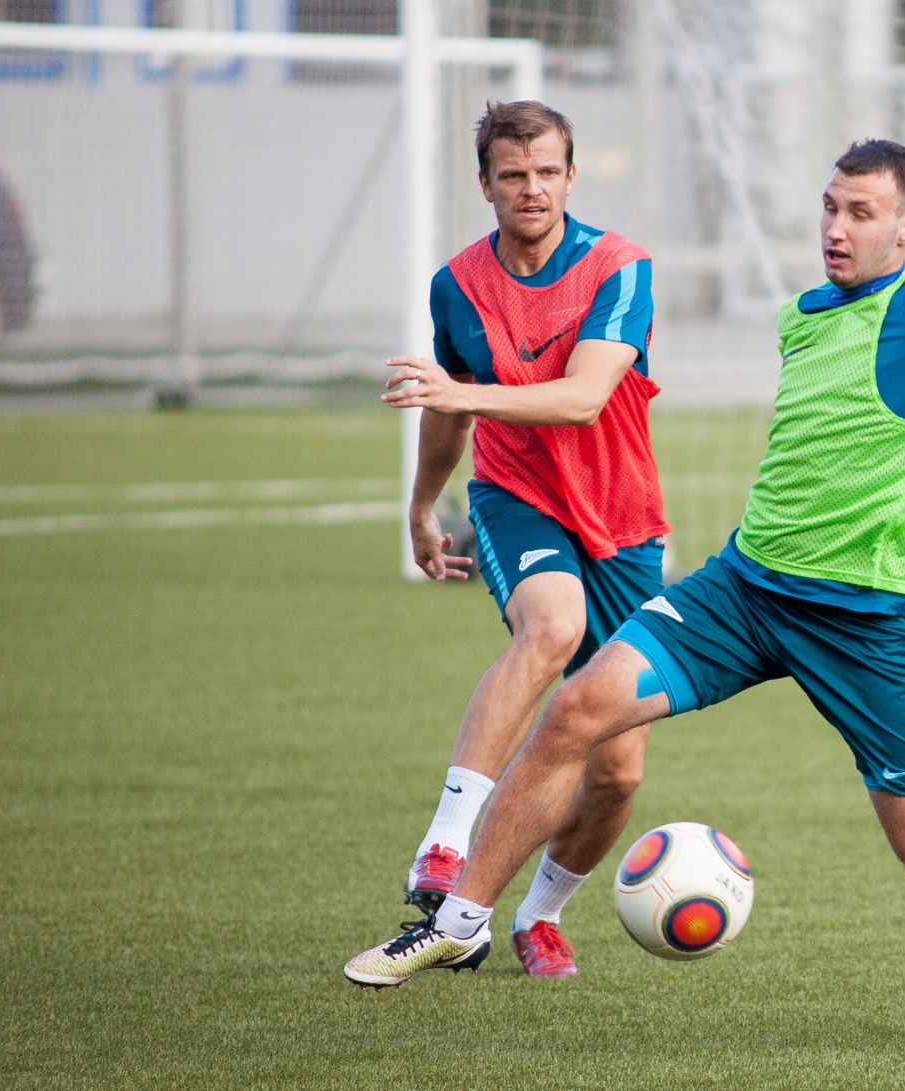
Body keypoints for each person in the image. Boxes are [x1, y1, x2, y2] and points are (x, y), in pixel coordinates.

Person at [349, 125, 905, 1039]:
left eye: (860, 214)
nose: (835, 227)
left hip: (859, 624)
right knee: (576, 710)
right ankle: (458, 922)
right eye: (830, 207)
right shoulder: (805, 315)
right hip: (743, 592)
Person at [343, 100, 666, 983]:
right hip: (517, 496)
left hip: (624, 519)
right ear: (484, 183)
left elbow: (582, 397)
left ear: (570, 175)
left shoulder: (619, 267)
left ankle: (539, 912)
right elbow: (451, 412)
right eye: (513, 174)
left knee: (619, 774)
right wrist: (422, 506)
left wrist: (457, 394)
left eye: (548, 172)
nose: (533, 189)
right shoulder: (456, 284)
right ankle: (446, 846)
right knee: (551, 626)